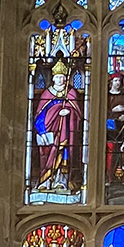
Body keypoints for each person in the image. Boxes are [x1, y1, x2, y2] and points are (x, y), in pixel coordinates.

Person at [31, 58, 85, 198]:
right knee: (47, 155)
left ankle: (62, 181)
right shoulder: (46, 93)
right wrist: (55, 112)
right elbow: (39, 115)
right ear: (53, 78)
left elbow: (78, 114)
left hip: (66, 132)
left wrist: (69, 111)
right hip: (49, 132)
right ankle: (45, 180)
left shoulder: (71, 93)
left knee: (64, 153)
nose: (60, 79)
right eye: (57, 77)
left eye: (62, 77)